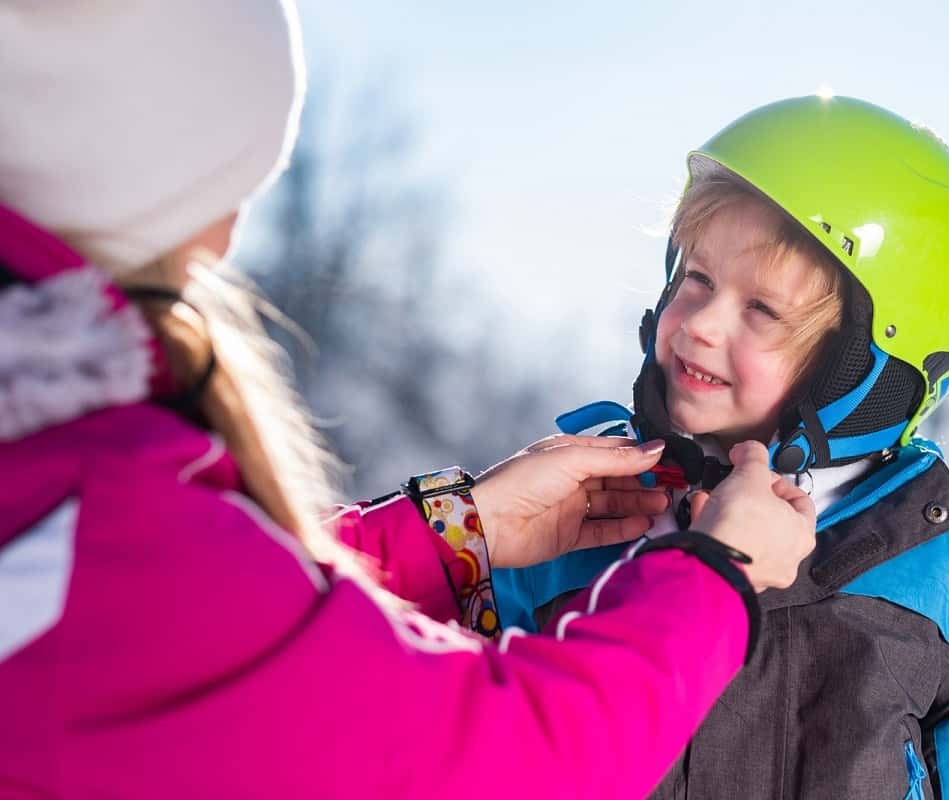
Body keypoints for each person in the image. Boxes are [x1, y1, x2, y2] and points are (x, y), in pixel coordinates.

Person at [0, 3, 818, 797]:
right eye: (218, 194)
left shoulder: (57, 490)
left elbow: (254, 637)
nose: (223, 242)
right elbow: (511, 760)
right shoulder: (99, 529)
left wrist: (457, 535)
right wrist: (718, 572)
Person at [494, 96, 949, 799]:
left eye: (761, 309)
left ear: (871, 370)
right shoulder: (563, 521)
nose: (700, 323)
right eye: (696, 278)